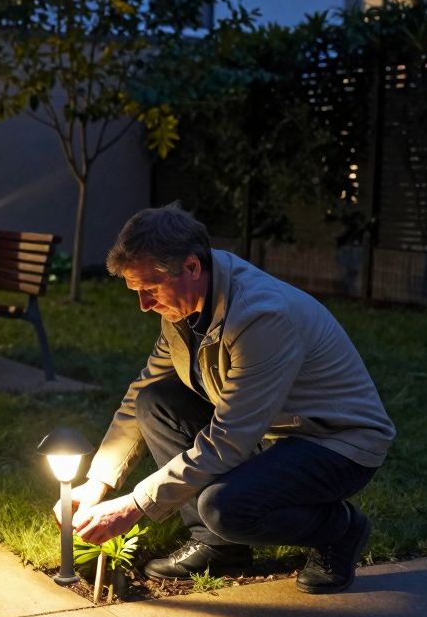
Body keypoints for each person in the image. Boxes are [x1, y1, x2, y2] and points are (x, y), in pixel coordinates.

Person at [56, 204, 395, 594]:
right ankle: (218, 547)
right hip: (269, 430)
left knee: (226, 506)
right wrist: (99, 481)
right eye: (136, 291)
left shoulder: (260, 318)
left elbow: (229, 440)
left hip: (335, 442)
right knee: (155, 402)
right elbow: (139, 396)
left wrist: (135, 505)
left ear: (192, 267)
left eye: (149, 289)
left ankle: (339, 530)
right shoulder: (183, 301)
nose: (144, 305)